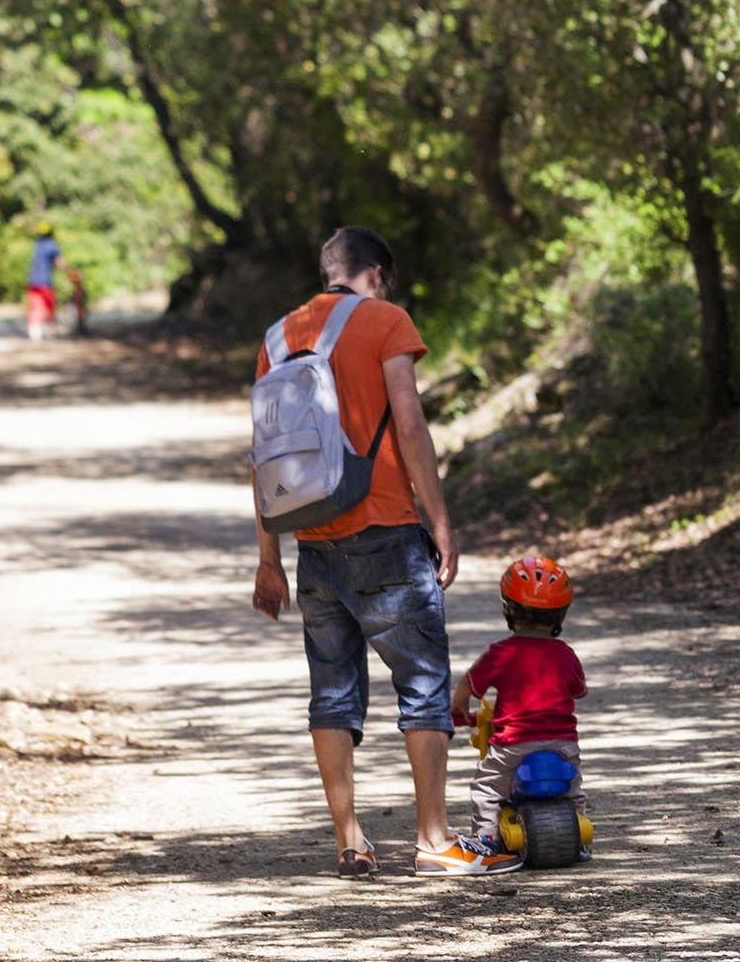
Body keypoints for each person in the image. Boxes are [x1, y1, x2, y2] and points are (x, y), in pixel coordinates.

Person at [250, 225, 476, 877]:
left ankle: (349, 839)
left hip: (312, 540)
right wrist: (440, 521)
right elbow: (408, 421)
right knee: (424, 687)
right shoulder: (384, 320)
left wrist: (268, 559)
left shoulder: (277, 337)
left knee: (332, 694)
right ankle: (434, 839)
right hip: (386, 532)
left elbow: (263, 456)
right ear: (375, 273)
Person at [450, 551, 586, 870]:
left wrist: (458, 712)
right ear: (560, 615)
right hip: (563, 744)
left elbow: (466, 688)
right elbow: (578, 691)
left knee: (486, 788)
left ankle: (486, 842)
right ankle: (579, 836)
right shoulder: (566, 654)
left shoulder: (501, 653)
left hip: (514, 744)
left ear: (508, 610)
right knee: (574, 789)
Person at [25, 226, 62, 338]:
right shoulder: (52, 245)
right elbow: (59, 263)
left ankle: (34, 330)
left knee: (35, 306)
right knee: (49, 306)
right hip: (45, 281)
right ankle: (48, 328)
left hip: (33, 281)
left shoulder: (37, 245)